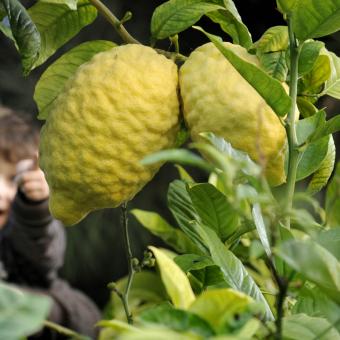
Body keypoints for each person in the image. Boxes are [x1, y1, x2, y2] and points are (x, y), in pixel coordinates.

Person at [0, 106, 101, 339]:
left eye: (16, 180)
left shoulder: (16, 236)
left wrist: (33, 208)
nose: (4, 191)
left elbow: (41, 260)